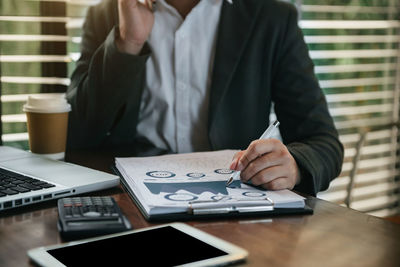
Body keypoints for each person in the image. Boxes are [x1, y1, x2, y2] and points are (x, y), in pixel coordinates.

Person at [66, 0, 344, 196]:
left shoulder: (272, 17)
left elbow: (323, 142)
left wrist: (294, 165)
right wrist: (127, 43)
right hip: (128, 202)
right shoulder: (106, 15)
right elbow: (77, 133)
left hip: (235, 203)